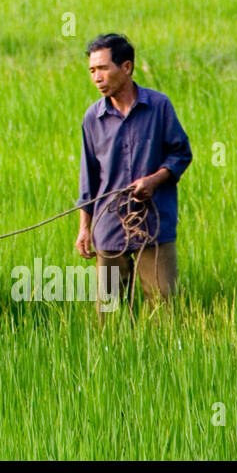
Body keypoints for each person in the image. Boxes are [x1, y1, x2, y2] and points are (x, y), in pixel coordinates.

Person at [74, 34, 192, 320]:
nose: (97, 78)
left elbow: (181, 154)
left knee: (163, 307)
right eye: (92, 71)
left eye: (103, 68)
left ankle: (163, 361)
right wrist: (84, 228)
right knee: (110, 311)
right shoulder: (93, 118)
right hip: (109, 225)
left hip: (153, 225)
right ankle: (113, 361)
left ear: (126, 67)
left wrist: (153, 181)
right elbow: (88, 178)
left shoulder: (159, 106)